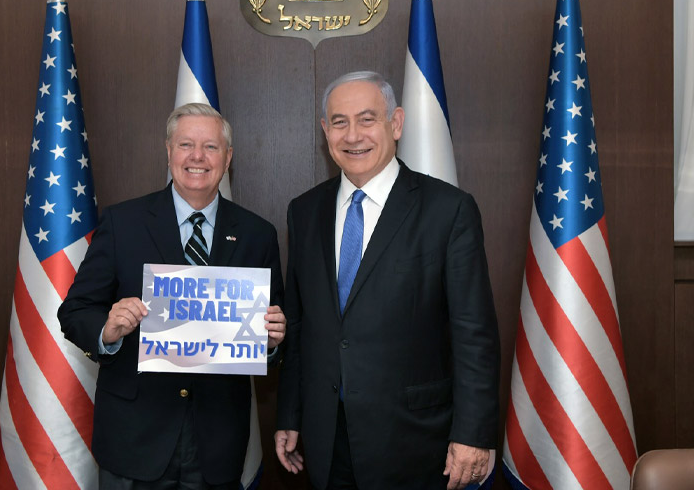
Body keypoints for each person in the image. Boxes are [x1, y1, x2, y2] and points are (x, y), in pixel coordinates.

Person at [275, 71, 499, 490]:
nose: (352, 135)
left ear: (395, 124)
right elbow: (301, 326)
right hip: (328, 442)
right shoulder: (304, 212)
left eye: (367, 119)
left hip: (416, 443)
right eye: (339, 122)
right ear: (325, 131)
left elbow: (474, 334)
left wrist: (473, 433)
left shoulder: (448, 210)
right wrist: (289, 415)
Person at [58, 102, 286, 490]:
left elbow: (274, 334)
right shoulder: (123, 223)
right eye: (186, 145)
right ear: (168, 151)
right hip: (134, 440)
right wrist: (107, 331)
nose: (197, 156)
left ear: (228, 157)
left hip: (217, 445)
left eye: (210, 147)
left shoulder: (257, 235)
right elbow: (75, 310)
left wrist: (270, 342)